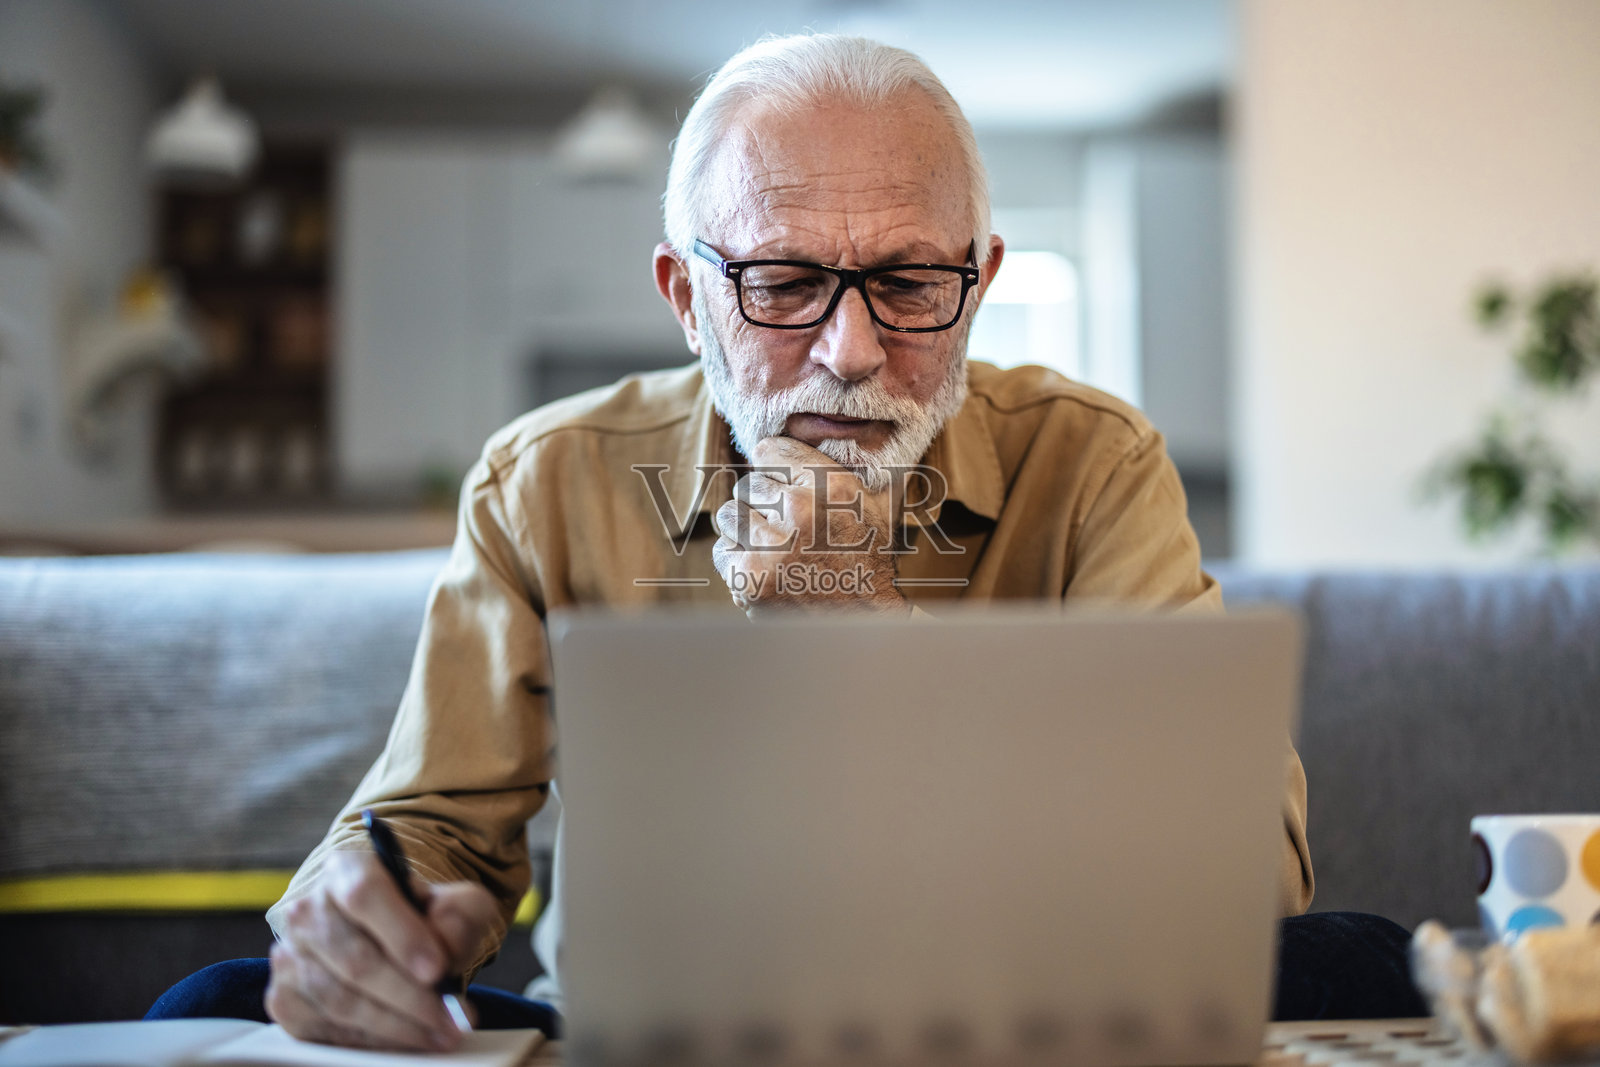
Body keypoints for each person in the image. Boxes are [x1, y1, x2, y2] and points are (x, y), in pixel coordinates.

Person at [148, 33, 1423, 1049]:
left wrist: (860, 629)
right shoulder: (546, 479)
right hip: (648, 1032)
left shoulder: (1093, 461)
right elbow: (431, 828)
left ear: (979, 282)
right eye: (782, 284)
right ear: (686, 296)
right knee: (222, 997)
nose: (850, 352)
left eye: (908, 285)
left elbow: (1246, 875)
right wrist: (364, 924)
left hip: (1028, 1023)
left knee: (1367, 960)